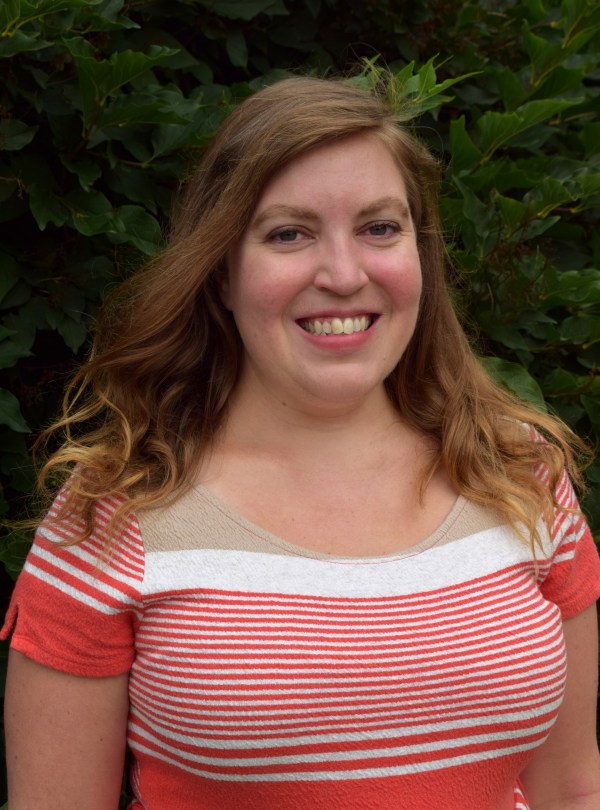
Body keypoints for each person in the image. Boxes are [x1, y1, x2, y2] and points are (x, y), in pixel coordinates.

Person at [2, 75, 600, 810]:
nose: (345, 275)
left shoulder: (520, 473)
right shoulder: (116, 512)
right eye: (289, 233)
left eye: (381, 228)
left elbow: (573, 790)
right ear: (221, 271)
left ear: (422, 252)